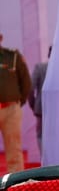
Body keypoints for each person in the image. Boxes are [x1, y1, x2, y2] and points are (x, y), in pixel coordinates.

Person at [0, 33, 32, 173]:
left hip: (11, 110)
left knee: (14, 148)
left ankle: (15, 181)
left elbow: (26, 82)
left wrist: (18, 102)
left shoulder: (12, 57)